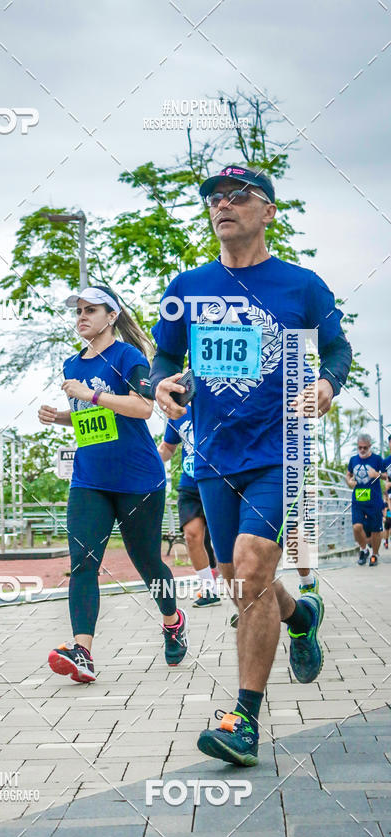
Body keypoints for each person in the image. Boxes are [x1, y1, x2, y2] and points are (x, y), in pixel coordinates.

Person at [150, 164, 352, 766]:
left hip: (276, 451)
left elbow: (337, 348)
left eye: (238, 196)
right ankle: (301, 615)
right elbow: (163, 354)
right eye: (215, 197)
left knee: (251, 565)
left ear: (268, 212)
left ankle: (244, 720)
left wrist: (326, 383)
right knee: (240, 583)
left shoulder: (301, 286)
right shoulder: (188, 287)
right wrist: (162, 384)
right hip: (212, 456)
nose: (223, 204)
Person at [39, 284, 187, 683]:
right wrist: (61, 417)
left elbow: (143, 408)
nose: (82, 316)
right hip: (90, 479)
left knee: (148, 563)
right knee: (83, 562)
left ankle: (172, 621)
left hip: (138, 479)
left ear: (112, 316)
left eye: (91, 310)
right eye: (78, 310)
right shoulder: (72, 364)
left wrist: (90, 394)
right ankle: (82, 652)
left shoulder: (129, 357)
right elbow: (92, 418)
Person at [158, 409, 220, 607]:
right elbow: (168, 447)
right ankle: (209, 589)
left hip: (220, 479)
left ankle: (248, 587)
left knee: (229, 539)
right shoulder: (177, 410)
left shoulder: (218, 400)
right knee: (192, 536)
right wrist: (149, 460)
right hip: (190, 482)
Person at [346, 433, 387, 566]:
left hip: (374, 500)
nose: (362, 450)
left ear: (370, 446)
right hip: (358, 499)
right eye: (360, 447)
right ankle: (364, 550)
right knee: (356, 527)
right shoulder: (353, 459)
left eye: (365, 447)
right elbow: (348, 475)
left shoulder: (377, 459)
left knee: (376, 530)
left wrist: (377, 474)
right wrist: (349, 482)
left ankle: (374, 554)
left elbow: (386, 476)